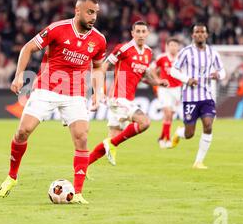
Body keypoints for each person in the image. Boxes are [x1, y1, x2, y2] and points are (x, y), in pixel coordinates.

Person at [0, 0, 107, 204]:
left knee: (82, 137)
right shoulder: (58, 29)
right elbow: (28, 47)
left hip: (75, 94)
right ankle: (12, 176)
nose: (93, 17)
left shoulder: (99, 39)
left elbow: (99, 66)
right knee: (23, 131)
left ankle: (79, 192)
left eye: (96, 13)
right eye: (90, 12)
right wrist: (20, 74)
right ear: (78, 11)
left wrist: (98, 92)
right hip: (47, 89)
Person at [88, 21, 169, 167]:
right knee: (144, 122)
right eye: (137, 31)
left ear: (147, 33)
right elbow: (104, 66)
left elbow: (144, 76)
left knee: (112, 139)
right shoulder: (123, 48)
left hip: (128, 99)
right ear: (132, 33)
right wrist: (98, 91)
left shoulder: (148, 52)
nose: (140, 34)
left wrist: (158, 82)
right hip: (118, 98)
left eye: (143, 31)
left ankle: (83, 166)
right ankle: (110, 144)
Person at [170, 24, 226, 169]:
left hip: (206, 96)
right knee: (189, 134)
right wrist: (187, 79)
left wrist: (218, 74)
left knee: (208, 125)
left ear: (207, 35)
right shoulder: (186, 52)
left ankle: (198, 161)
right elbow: (173, 71)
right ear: (193, 35)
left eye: (203, 32)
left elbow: (223, 71)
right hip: (190, 97)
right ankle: (179, 132)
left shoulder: (213, 53)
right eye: (197, 32)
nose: (200, 34)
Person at [152, 38, 183, 148]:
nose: (173, 47)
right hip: (164, 89)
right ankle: (167, 139)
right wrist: (158, 81)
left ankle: (161, 137)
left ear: (178, 47)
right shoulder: (162, 57)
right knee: (167, 112)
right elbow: (152, 69)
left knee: (170, 116)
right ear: (167, 46)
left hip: (177, 89)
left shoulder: (181, 58)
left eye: (175, 45)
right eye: (171, 45)